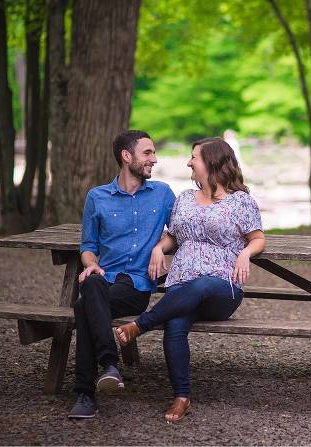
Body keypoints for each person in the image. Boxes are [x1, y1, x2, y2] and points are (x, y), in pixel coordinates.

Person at [114, 137, 265, 423]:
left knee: (203, 283)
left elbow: (257, 238)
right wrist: (159, 247)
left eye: (193, 157)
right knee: (175, 323)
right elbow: (175, 235)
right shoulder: (184, 198)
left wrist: (246, 253)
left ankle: (140, 324)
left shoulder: (240, 201)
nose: (188, 162)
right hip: (182, 285)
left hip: (223, 288)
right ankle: (182, 397)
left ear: (212, 162)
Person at [68, 130, 176, 419]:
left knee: (83, 305)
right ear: (126, 157)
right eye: (148, 153)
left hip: (137, 286)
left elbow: (180, 232)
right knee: (91, 287)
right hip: (105, 278)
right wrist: (90, 263)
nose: (154, 159)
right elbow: (88, 246)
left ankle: (88, 392)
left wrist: (160, 247)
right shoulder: (97, 197)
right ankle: (109, 367)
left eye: (153, 153)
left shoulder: (163, 194)